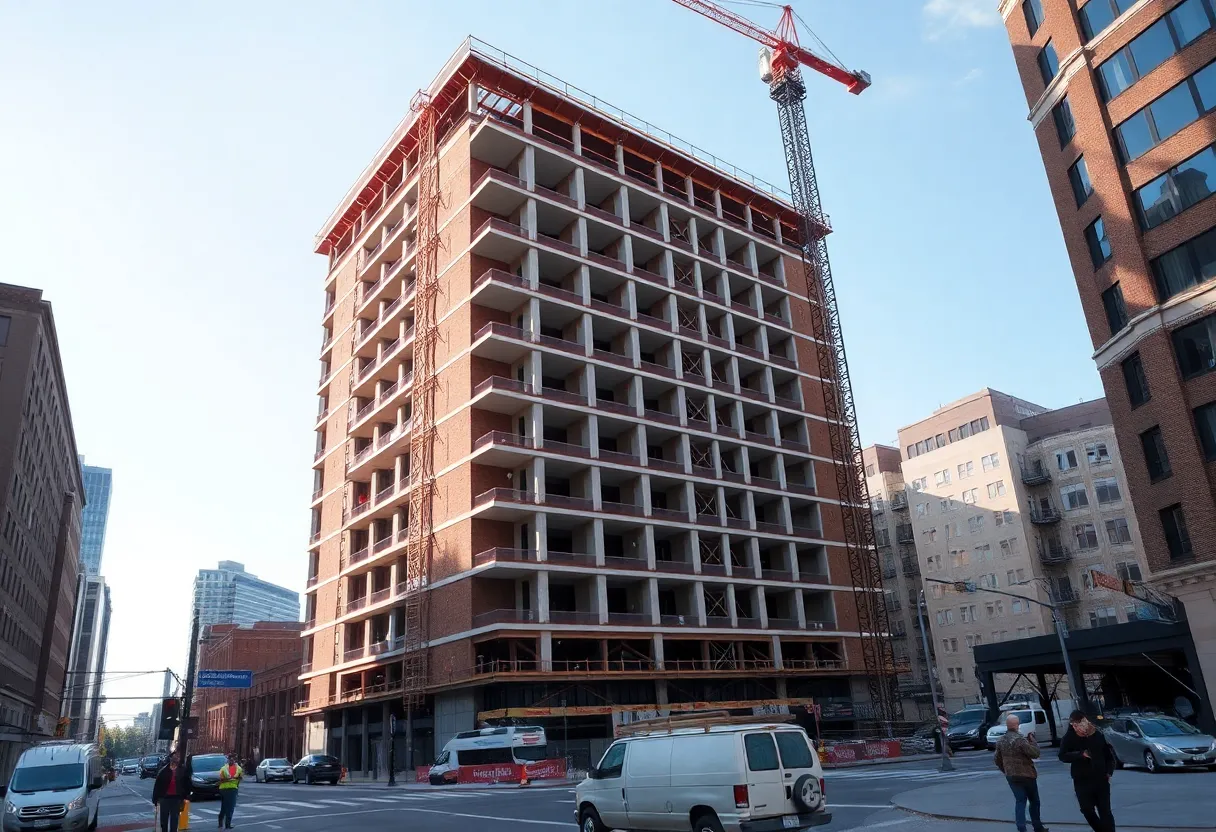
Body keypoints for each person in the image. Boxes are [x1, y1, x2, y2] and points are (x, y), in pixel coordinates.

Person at [1058, 710, 1116, 832]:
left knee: (1105, 811)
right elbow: (1062, 755)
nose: (1079, 727)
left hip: (1101, 778)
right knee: (1086, 809)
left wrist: (1108, 772)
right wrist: (1080, 754)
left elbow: (1108, 755)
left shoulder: (1097, 734)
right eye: (1075, 724)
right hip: (1081, 779)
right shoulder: (1069, 737)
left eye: (1081, 723)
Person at [994, 714, 1049, 832]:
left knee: (1020, 801)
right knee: (1034, 801)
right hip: (1027, 775)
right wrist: (1033, 742)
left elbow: (997, 759)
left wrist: (1006, 770)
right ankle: (1037, 826)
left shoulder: (1000, 741)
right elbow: (1035, 753)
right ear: (1017, 725)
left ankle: (1021, 827)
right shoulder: (1020, 740)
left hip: (1011, 776)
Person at [151, 751, 190, 832]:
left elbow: (187, 784)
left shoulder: (182, 770)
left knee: (175, 819)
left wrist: (186, 796)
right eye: (175, 756)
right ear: (170, 758)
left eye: (178, 757)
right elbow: (157, 785)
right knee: (163, 820)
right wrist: (155, 799)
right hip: (165, 798)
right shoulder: (164, 771)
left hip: (177, 798)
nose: (177, 758)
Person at [217, 752, 244, 829]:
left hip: (232, 788)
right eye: (230, 759)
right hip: (225, 789)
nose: (231, 760)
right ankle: (226, 824)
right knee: (229, 807)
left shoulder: (239, 769)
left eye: (233, 759)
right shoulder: (223, 769)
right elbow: (221, 779)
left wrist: (237, 783)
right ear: (228, 760)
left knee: (226, 807)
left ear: (235, 760)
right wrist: (230, 779)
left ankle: (222, 822)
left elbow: (240, 778)